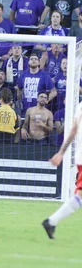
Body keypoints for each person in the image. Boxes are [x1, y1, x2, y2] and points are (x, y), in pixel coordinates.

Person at [42, 100, 82, 238]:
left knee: (80, 195)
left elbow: (73, 131)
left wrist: (61, 152)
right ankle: (52, 221)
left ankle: (51, 221)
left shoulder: (81, 105)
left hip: (80, 157)